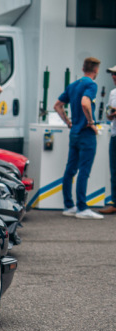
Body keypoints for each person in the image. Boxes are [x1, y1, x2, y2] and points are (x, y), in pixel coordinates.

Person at [54, 57, 104, 219]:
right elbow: (85, 103)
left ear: (83, 69)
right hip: (86, 133)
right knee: (84, 171)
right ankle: (82, 208)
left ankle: (69, 206)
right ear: (96, 70)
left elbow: (57, 105)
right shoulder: (91, 85)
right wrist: (91, 122)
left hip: (74, 132)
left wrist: (68, 122)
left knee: (70, 170)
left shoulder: (73, 85)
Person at [102, 65, 116, 214]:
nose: (113, 77)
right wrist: (110, 114)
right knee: (114, 170)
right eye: (112, 74)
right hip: (114, 134)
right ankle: (115, 203)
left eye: (115, 74)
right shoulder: (113, 93)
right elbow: (108, 112)